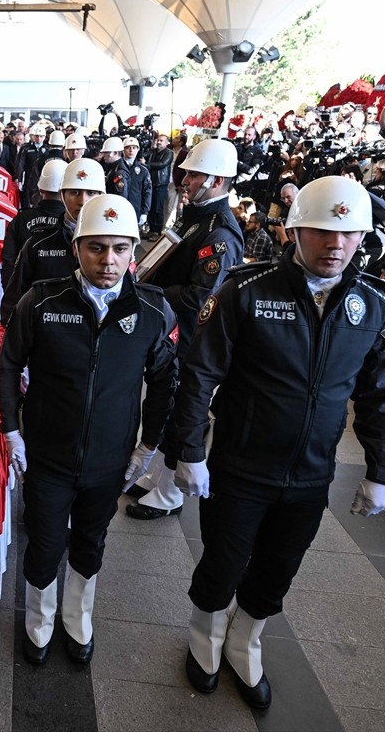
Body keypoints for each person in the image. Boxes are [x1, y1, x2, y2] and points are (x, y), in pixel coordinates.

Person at [164, 175, 385, 709]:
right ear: (295, 231)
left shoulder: (372, 305)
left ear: (362, 238)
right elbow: (199, 374)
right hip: (240, 466)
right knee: (222, 563)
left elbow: (384, 391)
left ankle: (246, 641)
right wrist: (189, 449)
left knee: (278, 566)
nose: (334, 245)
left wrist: (380, 469)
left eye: (347, 234)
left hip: (312, 472)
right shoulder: (245, 291)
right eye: (321, 231)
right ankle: (204, 636)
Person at [0, 193, 177, 666]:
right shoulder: (41, 300)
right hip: (47, 455)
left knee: (91, 541)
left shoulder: (153, 312)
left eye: (119, 248)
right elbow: (7, 365)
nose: (108, 260)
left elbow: (164, 382)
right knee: (46, 542)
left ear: (134, 251)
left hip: (109, 458)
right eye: (96, 247)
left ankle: (78, 616)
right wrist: (11, 429)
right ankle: (39, 620)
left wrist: (149, 446)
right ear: (76, 249)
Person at [127, 139, 244, 521]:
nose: (187, 180)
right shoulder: (197, 216)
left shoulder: (220, 231)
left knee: (181, 410)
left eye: (194, 174)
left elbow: (200, 296)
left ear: (216, 180)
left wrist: (152, 290)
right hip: (173, 329)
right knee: (164, 406)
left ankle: (170, 493)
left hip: (193, 336)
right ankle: (159, 475)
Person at [0, 158, 106, 327]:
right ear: (62, 195)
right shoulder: (37, 243)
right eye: (75, 192)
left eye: (91, 193)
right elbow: (14, 298)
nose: (83, 201)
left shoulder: (116, 246)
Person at [0, 158, 66, 290]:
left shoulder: (21, 219)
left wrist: (9, 292)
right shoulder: (74, 223)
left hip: (25, 295)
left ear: (40, 189)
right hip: (62, 296)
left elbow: (8, 260)